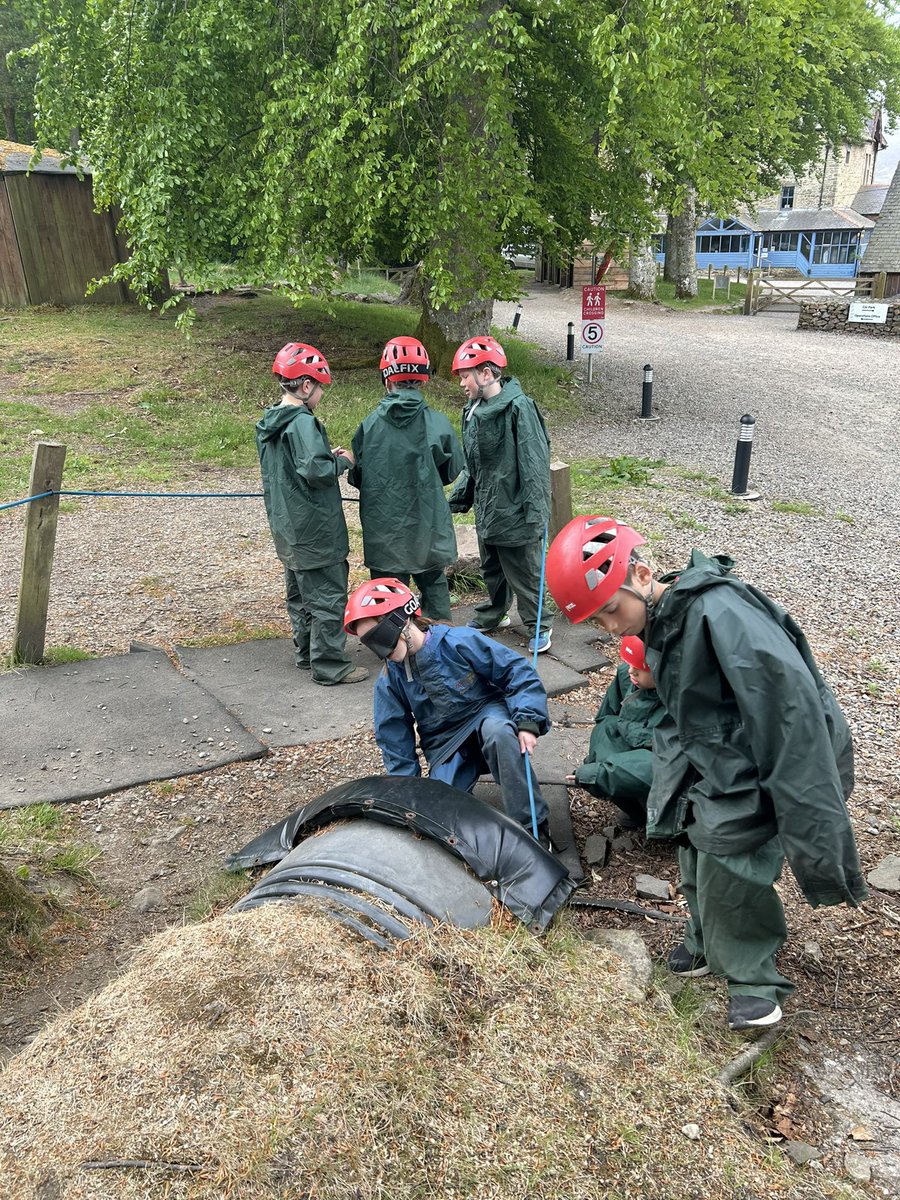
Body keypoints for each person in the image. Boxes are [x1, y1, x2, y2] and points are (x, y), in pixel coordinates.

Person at [545, 514, 866, 1031]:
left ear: (643, 575)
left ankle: (754, 981)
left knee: (729, 859)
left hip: (768, 755)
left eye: (610, 611)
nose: (610, 628)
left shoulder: (719, 613)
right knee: (691, 841)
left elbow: (790, 714)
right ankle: (705, 941)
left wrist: (808, 813)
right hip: (718, 756)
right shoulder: (662, 620)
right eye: (596, 623)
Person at [343, 578, 553, 846]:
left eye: (379, 637)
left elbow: (516, 671)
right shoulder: (390, 679)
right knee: (436, 812)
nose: (379, 650)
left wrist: (528, 720)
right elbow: (393, 737)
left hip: (486, 716)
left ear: (400, 619)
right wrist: (409, 794)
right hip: (445, 743)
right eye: (369, 644)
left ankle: (533, 826)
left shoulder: (457, 641)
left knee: (500, 733)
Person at [256, 342, 368, 686]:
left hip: (289, 529)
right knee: (328, 598)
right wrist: (341, 460)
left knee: (300, 596)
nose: (319, 394)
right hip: (316, 531)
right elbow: (317, 471)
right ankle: (330, 664)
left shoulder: (271, 421)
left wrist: (322, 454)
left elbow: (297, 464)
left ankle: (305, 652)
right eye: (319, 388)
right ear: (306, 386)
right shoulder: (303, 422)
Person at [344, 336, 464, 621]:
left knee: (388, 595)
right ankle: (439, 645)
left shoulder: (369, 426)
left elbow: (358, 476)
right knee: (434, 586)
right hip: (428, 524)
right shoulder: (437, 422)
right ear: (423, 380)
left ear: (387, 380)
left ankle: (392, 649)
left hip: (385, 530)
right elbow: (450, 471)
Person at [447, 335, 553, 655]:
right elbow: (472, 464)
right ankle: (495, 613)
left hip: (516, 509)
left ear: (486, 373)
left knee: (523, 570)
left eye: (466, 375)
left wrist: (536, 515)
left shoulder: (519, 408)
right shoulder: (472, 410)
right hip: (488, 507)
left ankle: (539, 625)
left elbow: (534, 465)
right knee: (492, 568)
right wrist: (456, 499)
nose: (462, 383)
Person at [565, 635, 665, 829]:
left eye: (640, 668)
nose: (631, 671)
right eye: (629, 664)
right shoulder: (628, 677)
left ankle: (662, 821)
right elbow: (606, 716)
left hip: (659, 764)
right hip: (634, 747)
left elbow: (663, 765)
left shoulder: (683, 704)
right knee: (604, 744)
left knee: (605, 774)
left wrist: (600, 774)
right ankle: (638, 813)